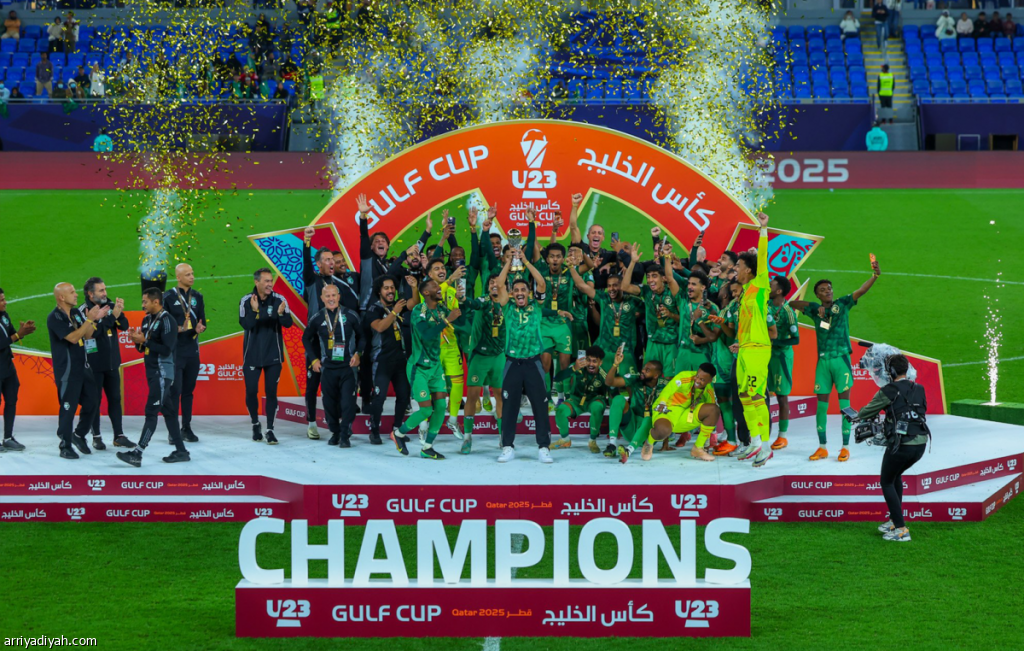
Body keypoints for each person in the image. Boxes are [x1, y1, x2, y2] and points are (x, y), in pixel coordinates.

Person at [789, 257, 881, 462]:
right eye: (823, 290)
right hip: (823, 363)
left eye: (829, 288)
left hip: (841, 361)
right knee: (821, 406)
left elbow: (861, 291)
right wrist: (814, 307)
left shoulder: (843, 304)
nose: (828, 291)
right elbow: (792, 303)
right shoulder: (815, 311)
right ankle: (822, 447)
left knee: (845, 406)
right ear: (817, 295)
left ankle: (845, 447)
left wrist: (874, 276)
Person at [712, 212, 773, 467]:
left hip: (758, 349)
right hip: (746, 348)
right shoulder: (745, 292)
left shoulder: (760, 285)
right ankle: (755, 442)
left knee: (756, 397)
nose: (734, 269)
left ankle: (765, 446)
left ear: (749, 269)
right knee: (745, 396)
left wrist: (762, 230)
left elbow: (762, 258)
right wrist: (741, 342)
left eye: (738, 266)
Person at [853, 354, 929, 543]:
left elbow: (865, 412)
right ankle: (895, 521)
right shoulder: (919, 388)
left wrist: (857, 416)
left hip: (901, 445)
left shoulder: (889, 390)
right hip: (920, 444)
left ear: (891, 372)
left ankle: (901, 529)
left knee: (886, 481)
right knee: (895, 476)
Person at [389, 277, 462, 460]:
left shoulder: (441, 309)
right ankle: (398, 433)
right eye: (435, 286)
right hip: (419, 367)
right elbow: (427, 334)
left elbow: (460, 321)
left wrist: (463, 305)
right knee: (426, 410)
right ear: (426, 292)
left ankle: (427, 447)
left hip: (435, 367)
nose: (439, 288)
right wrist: (447, 321)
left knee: (440, 406)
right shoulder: (418, 311)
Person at [494, 250, 555, 464]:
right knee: (509, 407)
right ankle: (507, 447)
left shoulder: (537, 307)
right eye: (516, 290)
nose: (520, 293)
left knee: (540, 406)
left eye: (524, 290)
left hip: (533, 363)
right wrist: (510, 261)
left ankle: (544, 447)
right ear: (512, 293)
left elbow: (542, 283)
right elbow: (499, 284)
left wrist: (525, 261)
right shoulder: (507, 307)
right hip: (512, 364)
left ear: (529, 293)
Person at [117, 289, 190, 467]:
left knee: (151, 412)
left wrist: (145, 341)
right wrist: (137, 341)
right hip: (152, 373)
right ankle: (181, 451)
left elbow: (166, 349)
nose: (142, 305)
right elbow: (143, 349)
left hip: (162, 373)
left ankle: (137, 453)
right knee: (169, 413)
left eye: (145, 302)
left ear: (156, 302)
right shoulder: (147, 320)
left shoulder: (167, 320)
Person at [301, 223, 359, 440]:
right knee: (313, 384)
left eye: (332, 259)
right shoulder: (312, 281)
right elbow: (306, 265)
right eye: (327, 260)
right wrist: (307, 242)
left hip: (338, 343)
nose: (331, 262)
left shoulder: (339, 284)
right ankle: (312, 423)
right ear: (318, 264)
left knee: (339, 385)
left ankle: (341, 425)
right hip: (316, 342)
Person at [47, 283, 107, 459]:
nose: (76, 295)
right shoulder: (55, 317)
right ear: (61, 297)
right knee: (68, 407)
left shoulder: (75, 313)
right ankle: (65, 445)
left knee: (93, 401)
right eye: (72, 292)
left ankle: (79, 434)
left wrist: (93, 320)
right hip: (67, 370)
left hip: (83, 367)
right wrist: (89, 320)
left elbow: (87, 335)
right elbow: (73, 338)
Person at [239, 267, 294, 444]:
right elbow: (246, 324)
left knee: (271, 392)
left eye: (271, 281)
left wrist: (280, 314)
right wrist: (255, 312)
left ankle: (270, 430)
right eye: (267, 281)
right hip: (252, 355)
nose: (270, 284)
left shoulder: (280, 300)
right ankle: (255, 423)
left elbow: (288, 323)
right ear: (257, 282)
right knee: (251, 391)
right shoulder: (246, 301)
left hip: (273, 355)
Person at [303, 284, 363, 447]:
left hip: (347, 367)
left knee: (347, 403)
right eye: (327, 296)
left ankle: (345, 435)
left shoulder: (351, 315)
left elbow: (362, 336)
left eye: (333, 295)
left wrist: (358, 354)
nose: (331, 299)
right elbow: (306, 338)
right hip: (328, 369)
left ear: (339, 296)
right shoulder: (317, 318)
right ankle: (335, 432)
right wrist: (314, 359)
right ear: (322, 298)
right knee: (329, 404)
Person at [77, 277, 134, 450]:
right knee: (94, 401)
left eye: (105, 289)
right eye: (101, 290)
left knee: (115, 399)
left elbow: (124, 326)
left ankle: (119, 436)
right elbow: (94, 334)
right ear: (90, 294)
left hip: (112, 363)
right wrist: (112, 317)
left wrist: (119, 313)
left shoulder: (109, 305)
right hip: (93, 364)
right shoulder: (84, 311)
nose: (105, 293)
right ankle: (96, 437)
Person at [365, 274, 415, 446]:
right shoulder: (374, 309)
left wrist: (414, 287)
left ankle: (397, 429)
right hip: (382, 360)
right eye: (386, 288)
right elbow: (379, 327)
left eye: (392, 287)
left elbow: (413, 303)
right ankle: (374, 431)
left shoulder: (397, 305)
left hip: (400, 360)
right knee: (379, 397)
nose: (390, 291)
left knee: (404, 395)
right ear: (379, 291)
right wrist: (394, 313)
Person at [460, 274, 506, 455]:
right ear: (487, 287)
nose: (495, 285)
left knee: (500, 395)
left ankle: (503, 437)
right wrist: (463, 298)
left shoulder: (507, 303)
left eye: (498, 282)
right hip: (480, 356)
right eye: (491, 283)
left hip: (499, 356)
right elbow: (472, 303)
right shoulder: (483, 301)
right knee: (472, 396)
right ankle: (467, 438)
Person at [622, 251, 681, 378]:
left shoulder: (673, 292)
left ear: (663, 278)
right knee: (648, 378)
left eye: (654, 276)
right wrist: (632, 262)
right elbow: (625, 287)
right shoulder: (647, 291)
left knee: (669, 378)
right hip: (653, 342)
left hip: (671, 343)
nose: (650, 280)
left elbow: (684, 319)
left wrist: (670, 314)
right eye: (648, 277)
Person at [605, 347, 668, 463]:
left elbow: (670, 411)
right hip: (632, 425)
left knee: (649, 419)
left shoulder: (665, 386)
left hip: (649, 432)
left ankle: (628, 451)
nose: (643, 371)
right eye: (644, 368)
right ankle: (612, 444)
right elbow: (609, 382)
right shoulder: (636, 379)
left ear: (656, 375)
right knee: (618, 399)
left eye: (647, 370)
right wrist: (615, 364)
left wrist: (666, 442)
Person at [164, 264, 204, 444]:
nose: (192, 277)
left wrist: (200, 328)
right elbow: (163, 326)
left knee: (188, 392)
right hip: (175, 352)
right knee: (175, 391)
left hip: (192, 351)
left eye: (192, 273)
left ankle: (186, 428)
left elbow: (202, 320)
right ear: (178, 277)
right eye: (188, 274)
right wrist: (180, 329)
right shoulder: (168, 297)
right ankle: (173, 431)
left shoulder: (198, 297)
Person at [646, 365, 721, 462]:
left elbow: (711, 419)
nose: (697, 380)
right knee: (663, 431)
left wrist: (705, 444)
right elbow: (668, 390)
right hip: (667, 409)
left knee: (714, 409)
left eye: (702, 380)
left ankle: (698, 448)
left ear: (710, 380)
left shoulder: (709, 390)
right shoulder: (684, 376)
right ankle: (649, 442)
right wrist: (662, 403)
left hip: (686, 416)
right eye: (697, 376)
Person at [553, 346, 610, 454]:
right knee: (560, 410)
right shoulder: (577, 367)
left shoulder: (604, 373)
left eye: (594, 361)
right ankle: (565, 440)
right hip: (576, 400)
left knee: (597, 407)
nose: (590, 364)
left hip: (595, 400)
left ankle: (592, 441)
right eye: (588, 360)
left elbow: (613, 391)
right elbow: (558, 378)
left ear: (600, 362)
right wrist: (574, 368)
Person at [0, 288, 35, 452]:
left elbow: (12, 334)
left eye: (4, 299)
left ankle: (8, 438)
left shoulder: (4, 316)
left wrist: (23, 330)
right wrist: (17, 335)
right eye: (1, 300)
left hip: (7, 366)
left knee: (11, 400)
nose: (5, 302)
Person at [767, 276, 799, 451]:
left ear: (779, 291)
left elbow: (795, 339)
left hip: (781, 358)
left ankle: (782, 436)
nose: (768, 286)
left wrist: (776, 342)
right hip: (766, 355)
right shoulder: (766, 305)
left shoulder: (788, 312)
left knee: (781, 396)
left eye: (771, 285)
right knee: (762, 393)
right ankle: (762, 430)